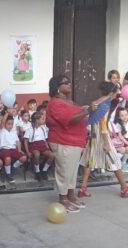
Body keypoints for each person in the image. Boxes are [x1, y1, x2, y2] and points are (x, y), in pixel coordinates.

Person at [78, 82, 128, 199]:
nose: (119, 93)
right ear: (111, 92)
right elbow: (103, 125)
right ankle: (124, 189)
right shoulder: (105, 105)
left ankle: (82, 189)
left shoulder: (97, 101)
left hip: (93, 136)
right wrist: (106, 142)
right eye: (117, 91)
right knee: (115, 162)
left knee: (89, 161)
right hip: (101, 137)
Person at [46, 75, 95, 213]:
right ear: (57, 88)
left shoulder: (69, 102)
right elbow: (69, 119)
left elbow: (77, 113)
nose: (69, 84)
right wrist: (87, 111)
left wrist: (85, 109)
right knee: (64, 171)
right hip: (63, 140)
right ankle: (63, 199)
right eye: (65, 82)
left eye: (69, 81)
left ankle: (71, 195)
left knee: (72, 171)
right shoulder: (55, 103)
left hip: (74, 141)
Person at [24, 111, 54, 181]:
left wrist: (48, 148)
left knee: (52, 155)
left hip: (42, 145)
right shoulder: (29, 130)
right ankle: (37, 171)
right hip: (33, 145)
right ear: (37, 120)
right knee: (36, 154)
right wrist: (27, 151)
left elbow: (45, 140)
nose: (44, 120)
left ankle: (44, 170)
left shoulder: (43, 129)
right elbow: (25, 141)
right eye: (42, 119)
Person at [0, 114, 27, 184]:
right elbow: (3, 122)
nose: (10, 126)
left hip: (13, 149)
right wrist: (7, 112)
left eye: (12, 124)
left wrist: (19, 150)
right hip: (4, 149)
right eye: (8, 124)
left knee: (23, 157)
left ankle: (13, 168)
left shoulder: (14, 132)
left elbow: (17, 141)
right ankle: (8, 174)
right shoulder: (2, 130)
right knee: (8, 159)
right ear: (5, 124)